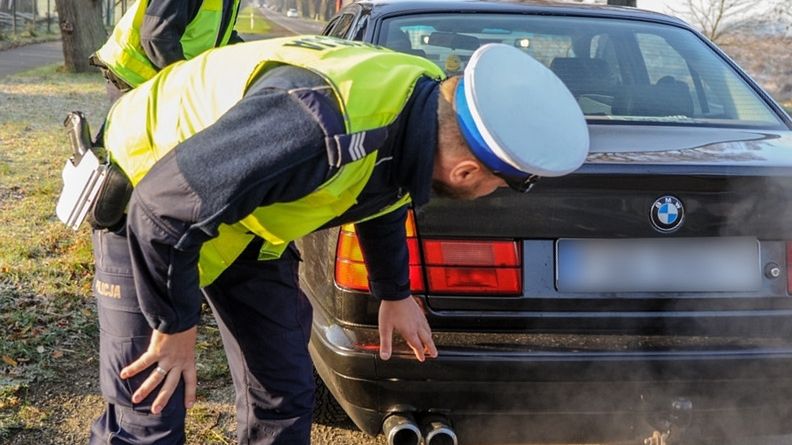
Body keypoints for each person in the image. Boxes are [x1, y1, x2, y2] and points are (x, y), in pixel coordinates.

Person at [88, 35, 588, 444]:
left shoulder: (423, 112)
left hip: (244, 223)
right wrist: (174, 325)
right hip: (145, 204)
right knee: (150, 414)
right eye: (497, 184)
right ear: (465, 171)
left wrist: (394, 291)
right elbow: (162, 207)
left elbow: (385, 193)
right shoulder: (317, 127)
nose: (490, 194)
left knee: (283, 392)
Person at [90, 0, 242, 100]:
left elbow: (221, 35)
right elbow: (157, 36)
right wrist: (186, 81)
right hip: (136, 76)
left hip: (161, 76)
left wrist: (258, 57)